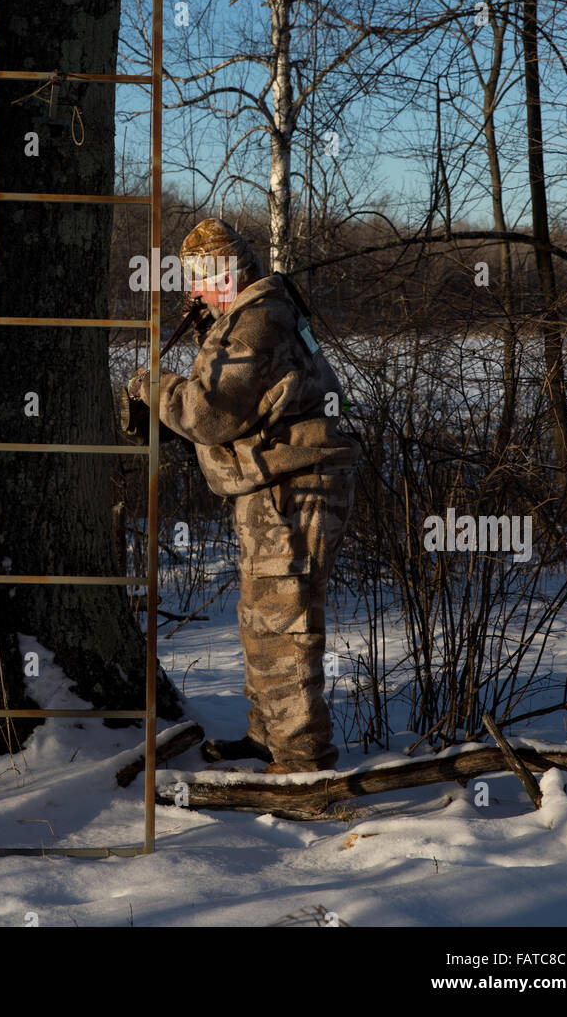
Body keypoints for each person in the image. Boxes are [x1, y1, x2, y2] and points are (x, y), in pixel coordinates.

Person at [127, 218, 360, 774]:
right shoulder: (254, 314)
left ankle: (303, 762)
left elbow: (209, 414)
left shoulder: (255, 321)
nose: (193, 292)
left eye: (199, 279)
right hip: (282, 484)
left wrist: (151, 389)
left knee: (285, 621)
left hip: (297, 486)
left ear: (224, 273)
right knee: (263, 615)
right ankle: (269, 739)